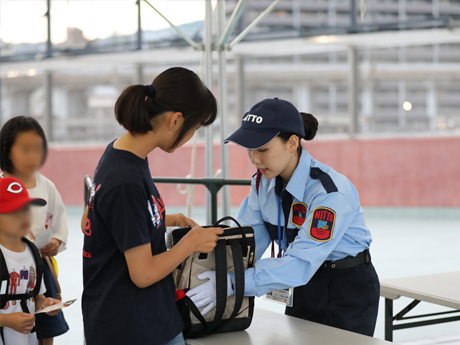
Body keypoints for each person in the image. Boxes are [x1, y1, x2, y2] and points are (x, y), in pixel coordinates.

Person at [187, 98, 380, 336]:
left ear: (292, 143)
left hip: (345, 287)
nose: (254, 159)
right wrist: (204, 273)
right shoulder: (262, 185)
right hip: (301, 284)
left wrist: (233, 284)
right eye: (249, 149)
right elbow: (246, 245)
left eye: (263, 149)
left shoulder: (329, 193)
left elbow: (301, 263)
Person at [81, 67, 224, 345]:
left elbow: (93, 217)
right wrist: (191, 243)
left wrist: (165, 218)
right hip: (131, 327)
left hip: (145, 317)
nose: (191, 135)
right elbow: (143, 274)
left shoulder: (122, 152)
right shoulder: (125, 180)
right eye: (194, 128)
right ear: (175, 120)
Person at [0, 116, 69, 344]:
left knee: (44, 326)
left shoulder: (46, 186)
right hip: (8, 262)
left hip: (36, 264)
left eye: (37, 149)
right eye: (25, 149)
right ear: (7, 151)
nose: (32, 156)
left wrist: (57, 242)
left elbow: (60, 220)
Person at [0, 177, 62, 345]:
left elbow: (36, 297)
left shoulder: (33, 252)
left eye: (26, 209)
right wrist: (6, 321)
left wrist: (47, 304)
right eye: (14, 211)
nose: (24, 216)